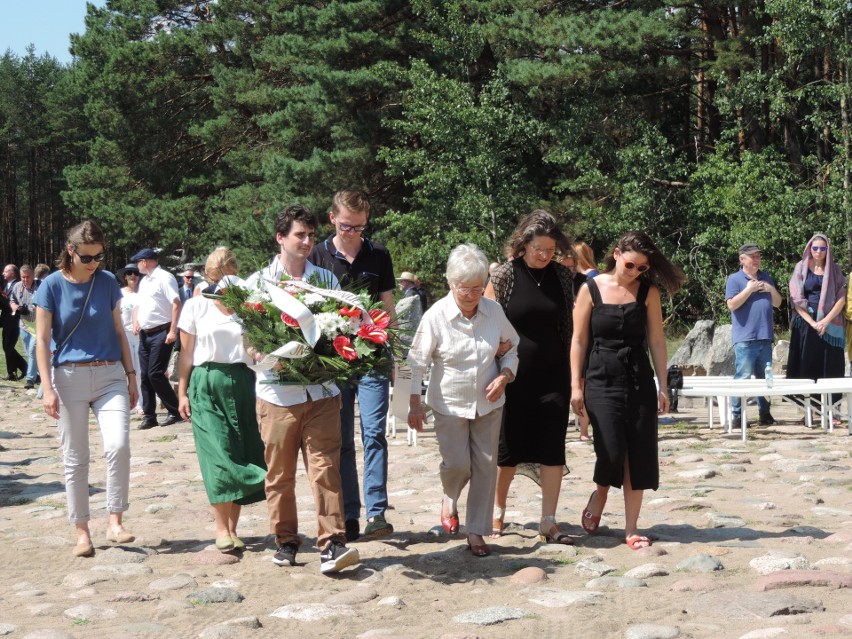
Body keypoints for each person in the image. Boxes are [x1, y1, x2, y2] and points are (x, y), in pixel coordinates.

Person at [245, 204, 360, 574]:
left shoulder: (327, 281)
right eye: (300, 235)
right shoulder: (258, 284)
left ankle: (332, 543)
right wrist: (266, 356)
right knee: (279, 474)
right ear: (281, 237)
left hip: (322, 393)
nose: (308, 241)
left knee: (326, 468)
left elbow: (344, 331)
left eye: (311, 235)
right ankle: (286, 541)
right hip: (277, 394)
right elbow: (247, 344)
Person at [570, 230, 683, 550]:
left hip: (637, 379)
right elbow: (578, 341)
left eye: (642, 268)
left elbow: (657, 340)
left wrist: (663, 385)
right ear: (617, 254)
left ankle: (631, 528)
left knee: (639, 455)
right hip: (601, 379)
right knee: (611, 450)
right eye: (631, 264)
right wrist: (575, 385)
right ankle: (601, 491)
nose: (635, 272)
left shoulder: (648, 293)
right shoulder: (590, 289)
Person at [33, 220, 138, 557]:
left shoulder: (107, 283)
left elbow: (120, 332)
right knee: (76, 458)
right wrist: (47, 387)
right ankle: (82, 532)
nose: (95, 263)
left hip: (110, 375)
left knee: (119, 446)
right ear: (71, 251)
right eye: (88, 257)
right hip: (69, 379)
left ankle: (115, 521)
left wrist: (132, 375)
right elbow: (42, 340)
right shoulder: (50, 286)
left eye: (100, 257)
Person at [407, 244, 519, 557]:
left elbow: (512, 347)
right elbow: (414, 362)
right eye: (463, 288)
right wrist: (412, 404)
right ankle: (449, 496)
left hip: (489, 401)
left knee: (485, 466)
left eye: (477, 287)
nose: (470, 294)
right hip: (449, 402)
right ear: (449, 283)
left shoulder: (494, 311)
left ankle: (476, 532)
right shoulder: (435, 317)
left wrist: (506, 374)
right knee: (457, 464)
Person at [308, 189, 396, 542]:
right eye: (347, 226)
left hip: (373, 356)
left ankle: (377, 513)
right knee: (342, 439)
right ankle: (349, 513)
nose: (354, 233)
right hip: (334, 360)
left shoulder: (379, 254)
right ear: (332, 219)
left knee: (374, 433)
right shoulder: (317, 256)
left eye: (360, 227)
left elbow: (387, 305)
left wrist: (394, 351)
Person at [485, 210, 575, 545]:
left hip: (553, 373)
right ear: (523, 243)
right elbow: (488, 320)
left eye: (550, 249)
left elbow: (568, 326)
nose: (544, 255)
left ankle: (548, 520)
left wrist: (573, 374)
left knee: (553, 447)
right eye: (539, 248)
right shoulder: (506, 275)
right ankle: (497, 510)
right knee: (507, 448)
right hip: (512, 375)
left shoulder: (562, 277)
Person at [177, 247, 267, 553]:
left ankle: (232, 528)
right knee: (218, 453)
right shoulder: (195, 307)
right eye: (220, 279)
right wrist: (182, 391)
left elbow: (254, 348)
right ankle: (220, 528)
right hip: (206, 381)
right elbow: (186, 354)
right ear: (209, 277)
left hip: (242, 380)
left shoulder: (246, 306)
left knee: (241, 447)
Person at [787, 234, 846, 419]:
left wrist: (825, 321)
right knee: (808, 367)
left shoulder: (835, 270)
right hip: (806, 325)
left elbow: (841, 299)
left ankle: (833, 413)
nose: (818, 252)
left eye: (822, 248)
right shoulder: (801, 268)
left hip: (830, 325)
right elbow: (796, 298)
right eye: (815, 248)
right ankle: (809, 413)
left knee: (831, 368)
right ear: (809, 249)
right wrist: (813, 322)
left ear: (827, 250)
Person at [725, 243, 782, 426]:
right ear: (742, 259)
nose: (756, 260)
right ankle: (737, 416)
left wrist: (770, 289)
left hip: (765, 337)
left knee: (765, 380)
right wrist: (749, 289)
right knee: (742, 377)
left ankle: (765, 414)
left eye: (758, 256)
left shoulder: (766, 278)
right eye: (753, 257)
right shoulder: (735, 279)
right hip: (745, 339)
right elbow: (732, 305)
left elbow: (778, 303)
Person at [130, 247, 183, 429]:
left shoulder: (164, 278)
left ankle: (175, 410)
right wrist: (136, 321)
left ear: (144, 261)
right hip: (146, 333)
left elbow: (176, 303)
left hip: (162, 331)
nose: (137, 266)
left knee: (155, 373)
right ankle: (149, 415)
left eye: (138, 262)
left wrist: (172, 331)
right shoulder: (144, 281)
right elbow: (138, 305)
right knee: (145, 375)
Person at [559, 251, 592, 441]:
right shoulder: (552, 280)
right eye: (565, 267)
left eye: (572, 267)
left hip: (581, 338)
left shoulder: (585, 282)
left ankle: (584, 431)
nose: (569, 271)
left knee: (581, 385)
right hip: (560, 339)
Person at [117, 263, 144, 414]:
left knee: (139, 370)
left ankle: (139, 403)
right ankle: (127, 401)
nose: (133, 276)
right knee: (128, 369)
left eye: (136, 273)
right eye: (129, 273)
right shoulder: (120, 294)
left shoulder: (143, 294)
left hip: (140, 335)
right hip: (124, 334)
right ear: (125, 277)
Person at [9, 265, 40, 389]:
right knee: (29, 353)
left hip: (37, 325)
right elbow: (12, 300)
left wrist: (34, 308)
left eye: (28, 277)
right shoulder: (17, 286)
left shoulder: (41, 287)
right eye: (23, 277)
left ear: (33, 276)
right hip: (24, 325)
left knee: (33, 351)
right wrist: (16, 308)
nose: (25, 279)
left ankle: (30, 380)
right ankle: (38, 374)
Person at [2, 263, 27, 381]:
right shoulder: (6, 285)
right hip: (6, 320)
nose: (3, 273)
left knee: (9, 346)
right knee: (6, 347)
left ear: (12, 273)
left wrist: (3, 298)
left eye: (5, 271)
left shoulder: (18, 285)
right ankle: (12, 372)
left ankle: (21, 369)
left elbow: (15, 301)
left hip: (14, 320)